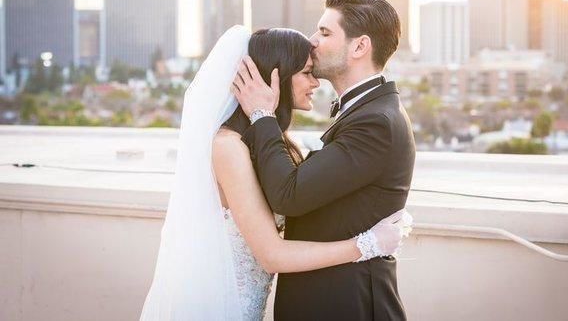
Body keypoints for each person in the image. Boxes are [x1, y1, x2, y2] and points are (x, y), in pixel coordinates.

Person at [139, 26, 409, 321]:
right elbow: (271, 255)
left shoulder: (273, 143)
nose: (315, 82)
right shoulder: (227, 147)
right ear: (274, 77)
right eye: (307, 72)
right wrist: (368, 244)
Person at [233, 0, 417, 320]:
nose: (312, 41)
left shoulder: (375, 122)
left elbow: (289, 195)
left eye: (324, 32)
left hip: (350, 307)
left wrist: (262, 115)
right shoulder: (366, 112)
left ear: (360, 46)